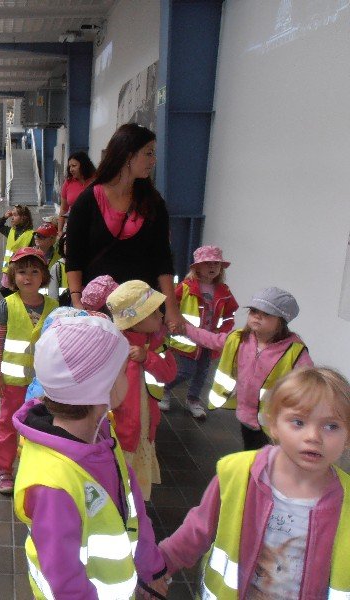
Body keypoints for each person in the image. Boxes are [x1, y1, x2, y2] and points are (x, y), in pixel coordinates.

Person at [159, 367, 350, 599]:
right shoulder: (239, 474)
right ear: (274, 425)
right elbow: (198, 529)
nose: (313, 437)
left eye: (331, 426)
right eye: (298, 422)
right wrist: (160, 564)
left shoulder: (346, 499)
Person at [13, 316, 169, 600]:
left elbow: (132, 507)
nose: (127, 378)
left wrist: (151, 569)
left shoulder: (103, 435)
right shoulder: (53, 484)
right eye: (122, 372)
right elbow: (64, 580)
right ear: (101, 388)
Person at [64, 123, 184, 331]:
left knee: (140, 352)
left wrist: (171, 308)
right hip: (100, 309)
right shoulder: (88, 200)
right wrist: (77, 302)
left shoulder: (153, 202)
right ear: (128, 155)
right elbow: (74, 256)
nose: (154, 160)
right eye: (148, 153)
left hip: (142, 311)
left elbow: (163, 258)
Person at [181, 286, 313, 450]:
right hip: (246, 415)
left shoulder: (294, 351)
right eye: (254, 311)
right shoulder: (238, 339)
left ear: (282, 321)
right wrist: (185, 328)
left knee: (270, 455)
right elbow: (210, 339)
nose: (257, 316)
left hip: (273, 420)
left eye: (267, 314)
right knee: (252, 450)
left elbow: (310, 383)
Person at [0, 247, 59, 494]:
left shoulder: (54, 307)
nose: (28, 277)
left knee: (42, 426)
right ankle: (4, 469)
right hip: (13, 384)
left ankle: (36, 470)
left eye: (34, 272)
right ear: (13, 276)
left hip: (44, 385)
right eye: (22, 272)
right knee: (8, 425)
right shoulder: (7, 306)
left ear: (44, 276)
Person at [106, 280, 177, 500]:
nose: (161, 315)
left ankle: (133, 503)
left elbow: (169, 374)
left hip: (145, 423)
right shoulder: (114, 345)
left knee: (134, 477)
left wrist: (149, 358)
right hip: (119, 424)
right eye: (154, 312)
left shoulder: (157, 343)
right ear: (136, 320)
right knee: (117, 469)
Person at [163, 245, 239, 418]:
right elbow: (171, 306)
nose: (212, 267)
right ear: (197, 267)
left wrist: (224, 331)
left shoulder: (224, 291)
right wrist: (173, 323)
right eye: (207, 263)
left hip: (210, 341)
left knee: (202, 373)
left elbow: (229, 314)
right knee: (186, 371)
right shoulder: (186, 287)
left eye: (216, 264)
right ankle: (165, 389)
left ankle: (193, 399)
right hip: (188, 339)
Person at [0, 205, 34, 297]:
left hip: (21, 271)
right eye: (12, 215)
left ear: (24, 218)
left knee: (16, 293)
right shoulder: (11, 231)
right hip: (8, 270)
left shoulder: (31, 235)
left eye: (15, 215)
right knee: (6, 291)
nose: (12, 217)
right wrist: (5, 217)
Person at [57, 150, 96, 234]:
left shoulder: (96, 181)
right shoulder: (68, 183)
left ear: (84, 165)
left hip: (93, 227)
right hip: (73, 226)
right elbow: (63, 209)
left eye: (74, 166)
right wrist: (59, 231)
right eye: (69, 166)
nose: (71, 169)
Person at [32, 222, 63, 298]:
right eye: (36, 235)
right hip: (32, 297)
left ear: (52, 239)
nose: (36, 238)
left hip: (51, 298)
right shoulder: (29, 255)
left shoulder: (59, 258)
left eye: (41, 236)